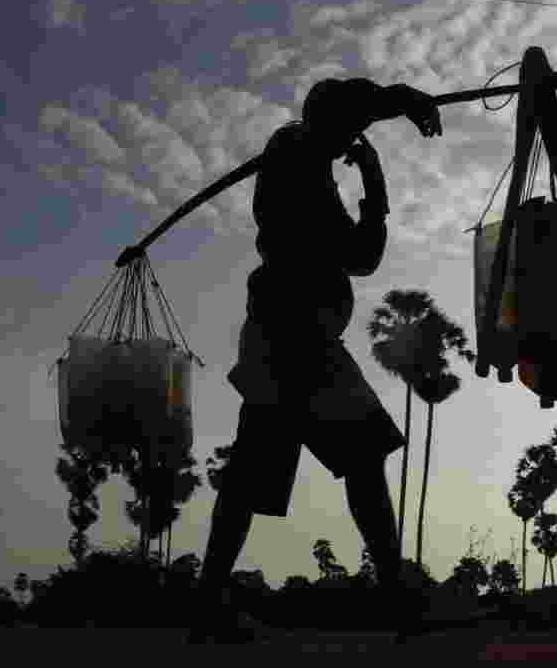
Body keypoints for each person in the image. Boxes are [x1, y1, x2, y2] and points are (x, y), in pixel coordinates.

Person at [185, 78, 443, 644]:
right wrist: (398, 109)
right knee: (360, 457)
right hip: (295, 340)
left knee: (261, 475)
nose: (350, 137)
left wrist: (376, 159)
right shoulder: (292, 152)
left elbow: (363, 256)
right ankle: (397, 603)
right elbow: (363, 254)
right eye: (347, 128)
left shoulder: (312, 167)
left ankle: (207, 606)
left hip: (293, 339)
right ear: (325, 122)